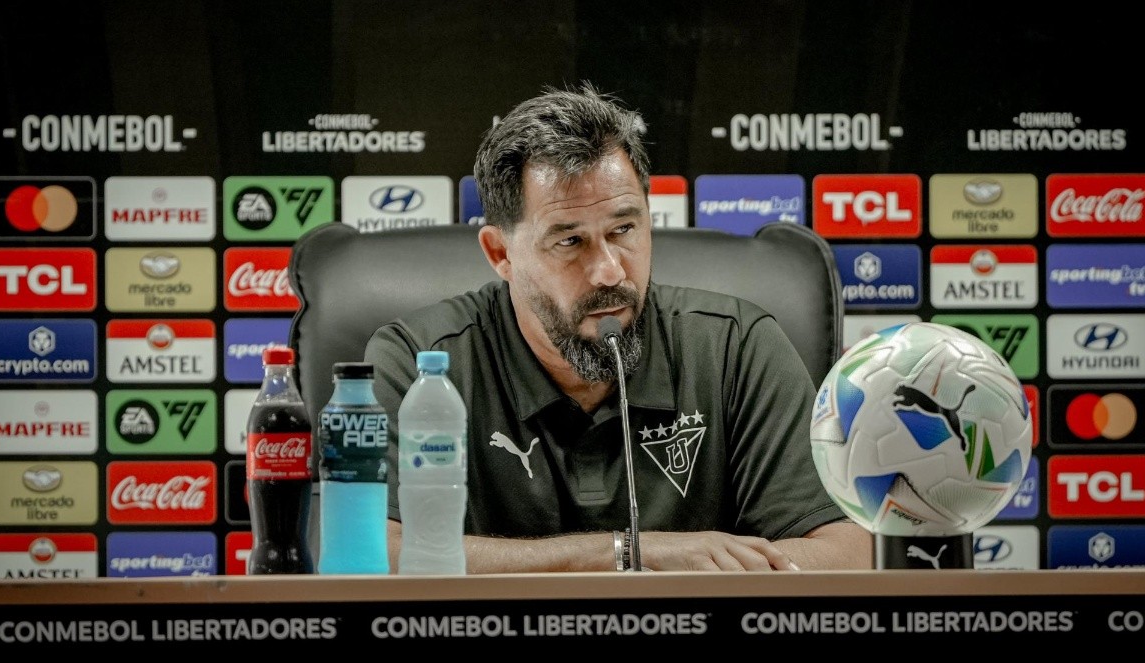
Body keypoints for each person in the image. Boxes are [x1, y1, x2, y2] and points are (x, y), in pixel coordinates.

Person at [365, 82, 873, 573]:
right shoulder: (418, 364)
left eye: (623, 230)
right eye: (570, 241)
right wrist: (628, 553)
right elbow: (369, 552)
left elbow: (845, 551)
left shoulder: (736, 347)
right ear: (501, 254)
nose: (610, 270)